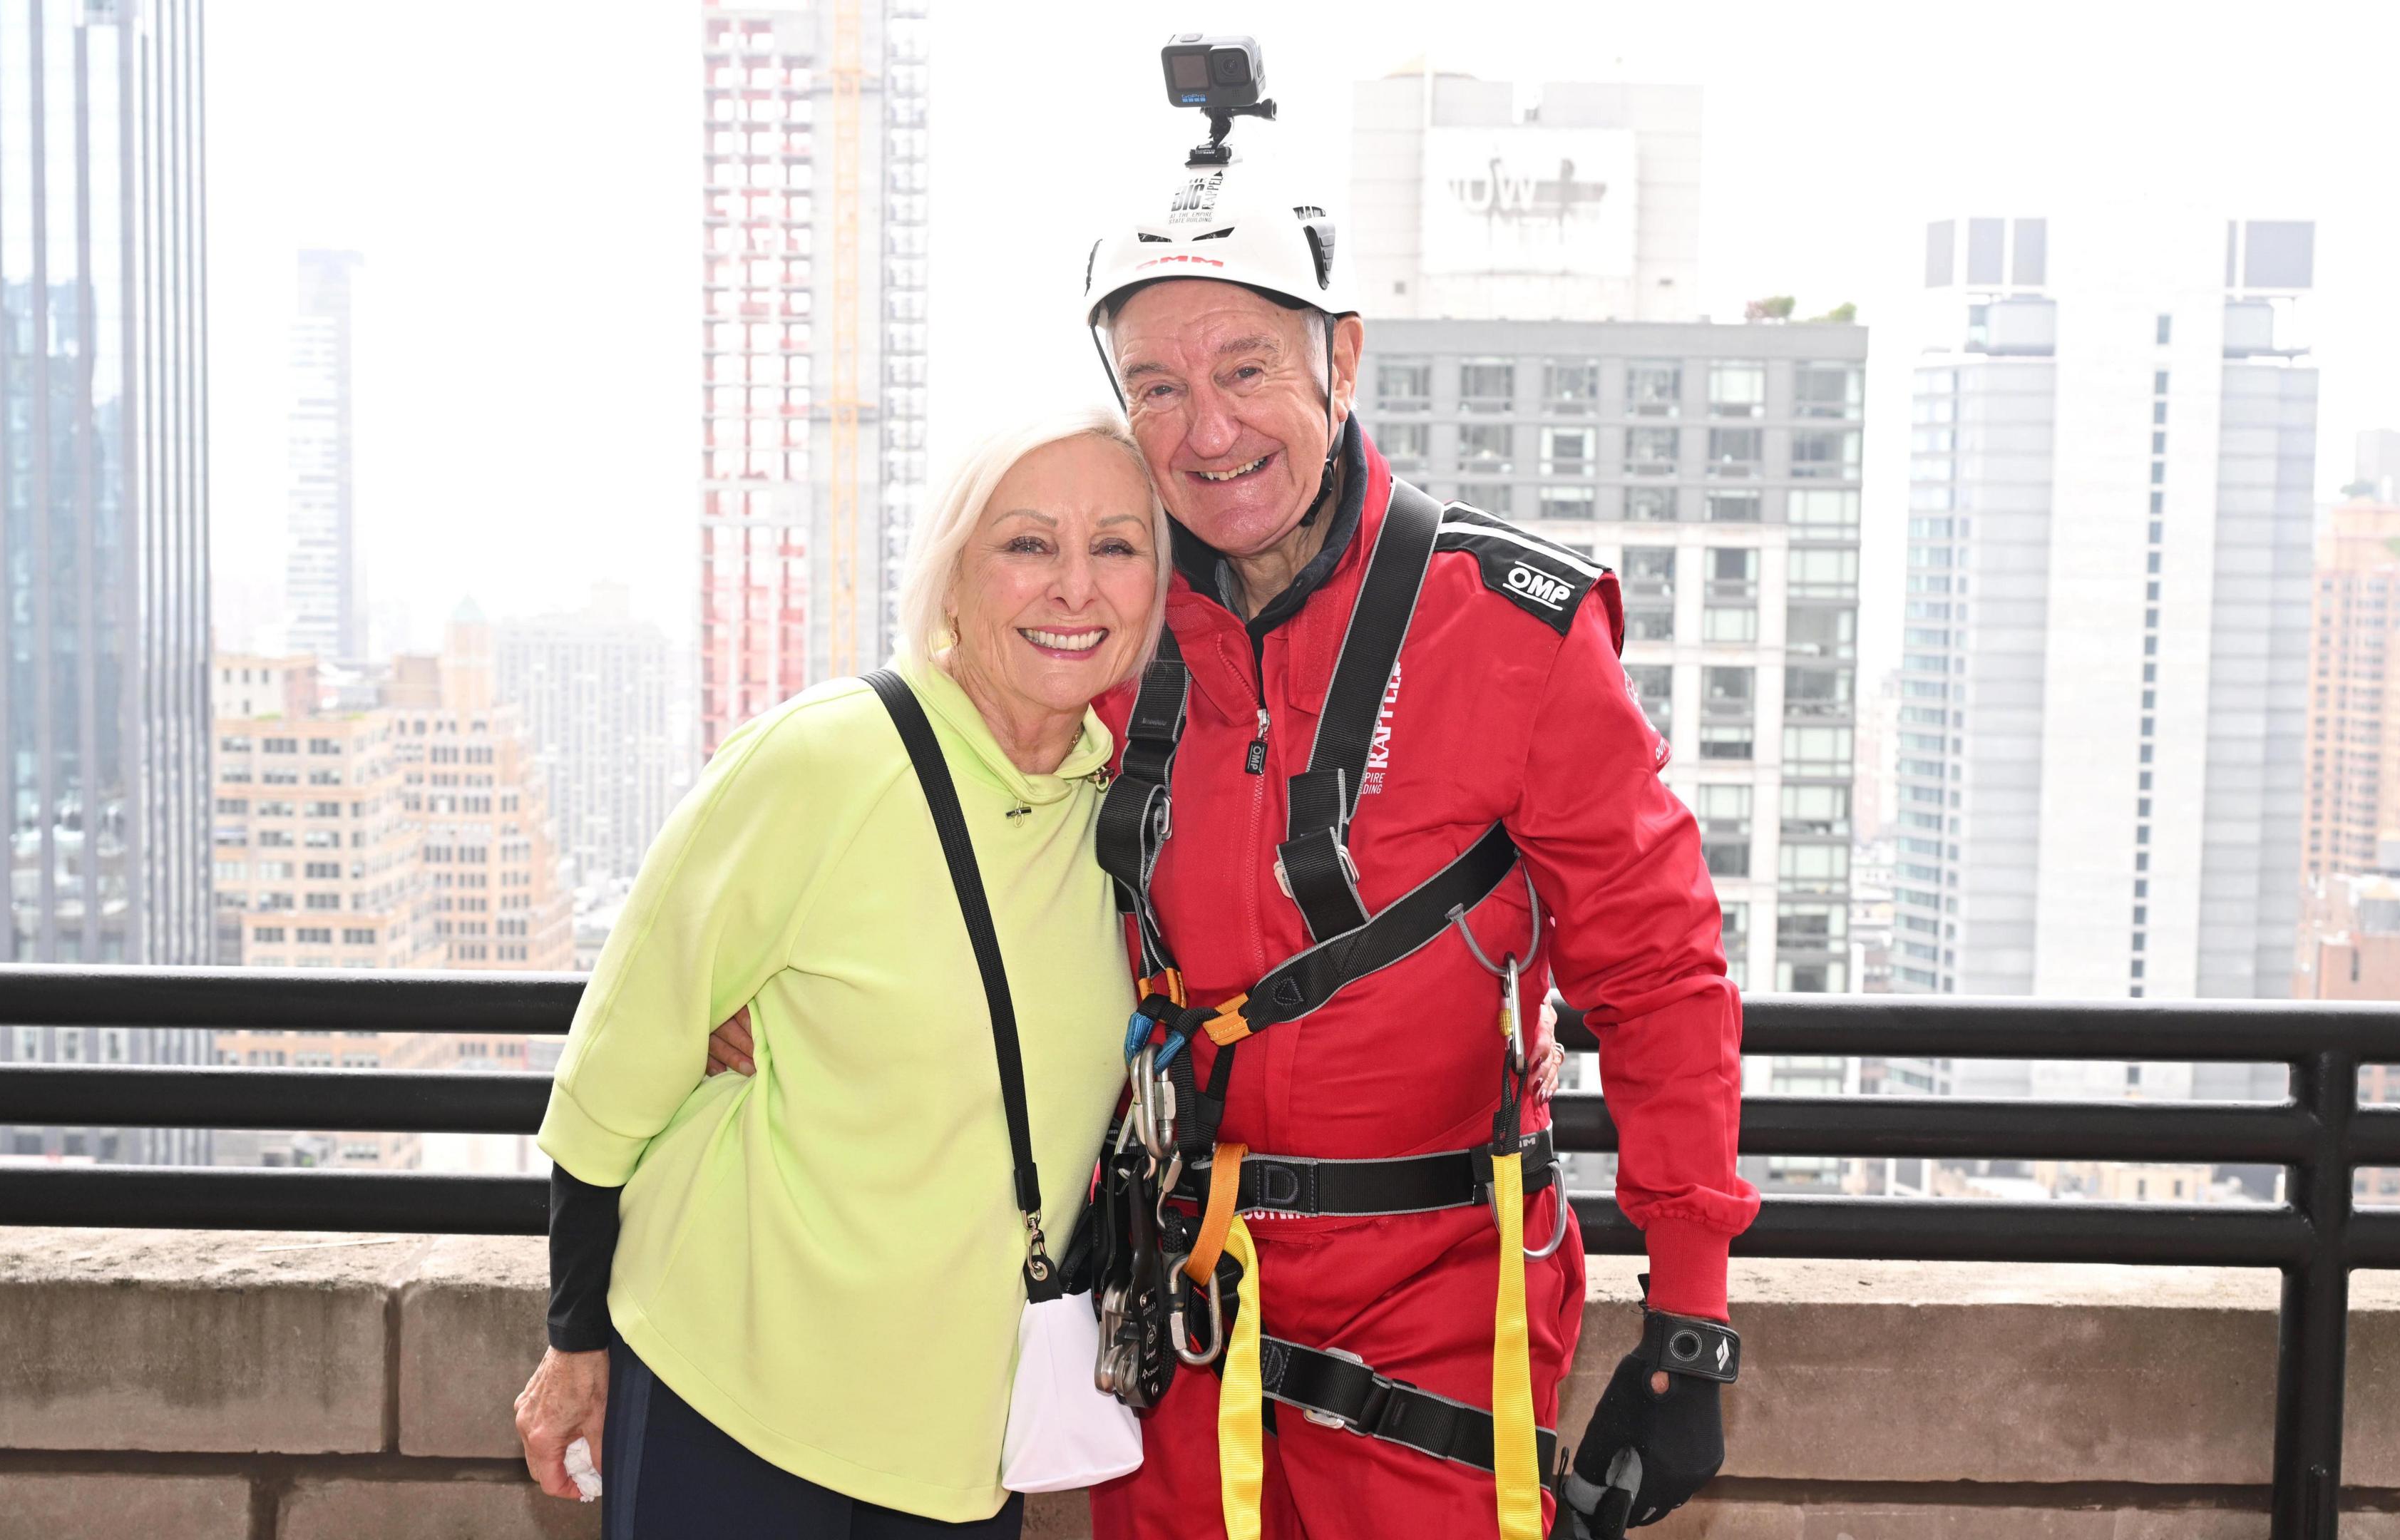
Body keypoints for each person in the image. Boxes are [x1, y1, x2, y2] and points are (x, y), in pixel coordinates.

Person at [713, 146, 1755, 1538]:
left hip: (1439, 1310)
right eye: (1158, 387)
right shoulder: (1102, 628)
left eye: (1249, 369)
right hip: (1169, 1304)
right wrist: (758, 989)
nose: (1208, 432)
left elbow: (1660, 971)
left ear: (1345, 361)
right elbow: (932, 820)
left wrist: (1689, 1321)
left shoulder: (1514, 632)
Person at [514, 410, 1171, 1538]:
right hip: (734, 1398)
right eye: (1026, 546)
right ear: (950, 581)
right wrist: (575, 1341)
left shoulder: (1131, 817)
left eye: (1116, 548)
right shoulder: (822, 760)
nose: (1075, 588)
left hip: (964, 1443)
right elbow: (617, 1069)